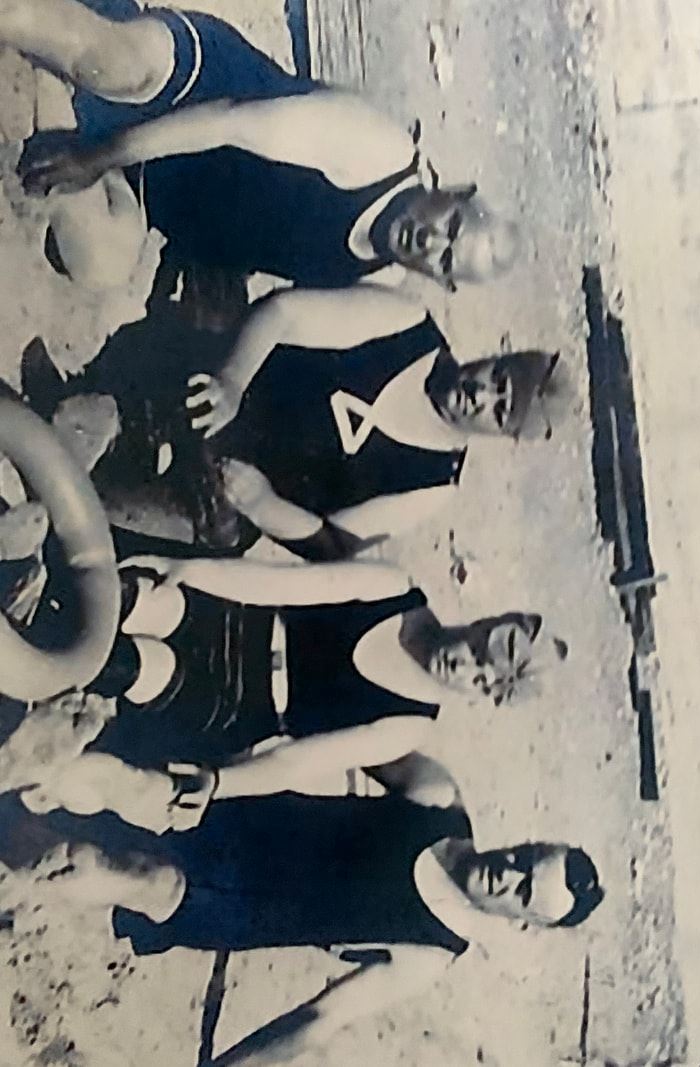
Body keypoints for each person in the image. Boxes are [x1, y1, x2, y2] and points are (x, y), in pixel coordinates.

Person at [27, 753, 604, 1065]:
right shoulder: (437, 795)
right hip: (237, 814)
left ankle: (25, 873)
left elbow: (320, 1019)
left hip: (232, 905)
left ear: (520, 922)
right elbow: (331, 741)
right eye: (527, 859)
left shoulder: (429, 952)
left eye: (523, 894)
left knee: (116, 870)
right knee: (73, 789)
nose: (509, 876)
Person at [15, 541, 568, 833]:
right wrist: (188, 569)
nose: (466, 666)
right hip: (233, 620)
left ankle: (21, 680)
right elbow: (279, 583)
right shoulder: (394, 590)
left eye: (481, 680)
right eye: (481, 650)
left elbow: (295, 764)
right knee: (135, 597)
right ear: (484, 623)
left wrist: (219, 783)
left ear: (483, 698)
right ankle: (21, 594)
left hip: (234, 703)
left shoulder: (408, 722)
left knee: (133, 663)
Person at [8, 0, 519, 296]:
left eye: (445, 261)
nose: (430, 243)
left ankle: (57, 97)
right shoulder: (378, 151)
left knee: (101, 266)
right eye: (449, 226)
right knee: (104, 65)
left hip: (154, 179)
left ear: (440, 280)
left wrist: (219, 274)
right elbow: (228, 121)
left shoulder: (366, 273)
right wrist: (95, 161)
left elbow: (264, 226)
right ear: (452, 190)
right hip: (195, 86)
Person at [21, 283, 568, 555]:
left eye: (499, 412)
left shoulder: (432, 484)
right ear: (495, 355)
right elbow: (283, 312)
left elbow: (333, 545)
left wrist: (264, 502)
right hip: (219, 390)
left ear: (502, 436)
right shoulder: (409, 326)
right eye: (495, 379)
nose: (479, 397)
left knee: (124, 509)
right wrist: (234, 381)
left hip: (228, 490)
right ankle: (73, 415)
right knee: (129, 403)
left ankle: (60, 490)